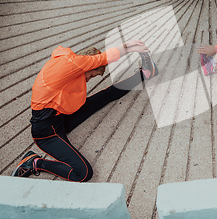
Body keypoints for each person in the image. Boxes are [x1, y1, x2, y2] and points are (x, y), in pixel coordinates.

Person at [11, 40, 158, 182]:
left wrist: (134, 49)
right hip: (46, 133)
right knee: (83, 173)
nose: (88, 80)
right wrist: (131, 47)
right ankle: (35, 163)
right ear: (87, 67)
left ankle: (145, 73)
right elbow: (105, 57)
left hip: (61, 117)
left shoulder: (67, 64)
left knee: (104, 97)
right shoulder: (70, 65)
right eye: (92, 75)